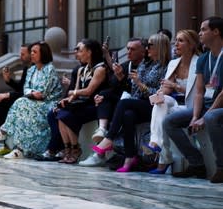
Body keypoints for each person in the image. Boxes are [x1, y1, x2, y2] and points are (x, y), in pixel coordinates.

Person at [91, 33, 170, 172]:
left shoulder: (166, 66)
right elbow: (133, 90)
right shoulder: (145, 64)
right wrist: (132, 82)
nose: (147, 48)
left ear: (159, 47)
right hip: (141, 103)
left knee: (125, 103)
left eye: (150, 45)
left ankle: (109, 138)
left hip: (157, 105)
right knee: (128, 115)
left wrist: (140, 84)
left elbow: (160, 94)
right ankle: (129, 157)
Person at [164, 16, 223, 182]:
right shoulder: (204, 59)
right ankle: (196, 163)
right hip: (206, 106)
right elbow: (199, 92)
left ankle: (221, 166)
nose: (200, 33)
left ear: (216, 32)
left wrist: (204, 117)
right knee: (170, 121)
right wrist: (196, 116)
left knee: (211, 117)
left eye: (204, 29)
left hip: (218, 107)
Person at [0, 41, 63, 159]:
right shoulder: (31, 70)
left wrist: (32, 93)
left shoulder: (49, 69)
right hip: (34, 102)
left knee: (21, 103)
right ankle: (18, 149)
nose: (32, 54)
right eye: (31, 52)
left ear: (43, 54)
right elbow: (26, 88)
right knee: (21, 105)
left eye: (35, 52)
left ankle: (4, 133)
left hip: (48, 103)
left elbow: (42, 93)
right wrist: (31, 92)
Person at [79, 38, 146, 167]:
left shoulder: (146, 65)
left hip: (141, 103)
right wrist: (118, 78)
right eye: (127, 49)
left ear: (143, 51)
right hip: (126, 101)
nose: (128, 52)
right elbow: (115, 87)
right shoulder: (127, 65)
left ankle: (106, 143)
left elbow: (137, 91)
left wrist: (123, 79)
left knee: (124, 109)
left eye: (133, 49)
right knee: (103, 96)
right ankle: (102, 131)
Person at [146, 30, 200, 174]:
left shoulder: (199, 62)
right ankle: (155, 142)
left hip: (192, 105)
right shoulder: (173, 63)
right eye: (176, 40)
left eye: (181, 40)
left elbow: (199, 91)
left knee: (164, 116)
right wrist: (160, 93)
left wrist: (175, 86)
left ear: (192, 45)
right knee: (161, 102)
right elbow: (167, 89)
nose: (176, 44)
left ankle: (163, 160)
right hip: (176, 104)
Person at [53, 39, 108, 164]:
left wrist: (74, 93)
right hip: (80, 104)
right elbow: (76, 91)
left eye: (81, 51)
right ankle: (71, 149)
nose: (78, 53)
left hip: (93, 105)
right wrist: (67, 101)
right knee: (60, 113)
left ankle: (76, 149)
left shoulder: (100, 68)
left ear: (89, 52)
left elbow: (88, 91)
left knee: (66, 116)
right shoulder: (81, 69)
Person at [0, 43, 31, 155]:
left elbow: (24, 92)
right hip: (23, 98)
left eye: (23, 54)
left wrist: (7, 94)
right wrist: (9, 80)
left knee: (1, 102)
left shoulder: (33, 69)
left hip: (29, 101)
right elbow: (21, 88)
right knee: (0, 104)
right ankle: (7, 144)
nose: (20, 57)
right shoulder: (27, 69)